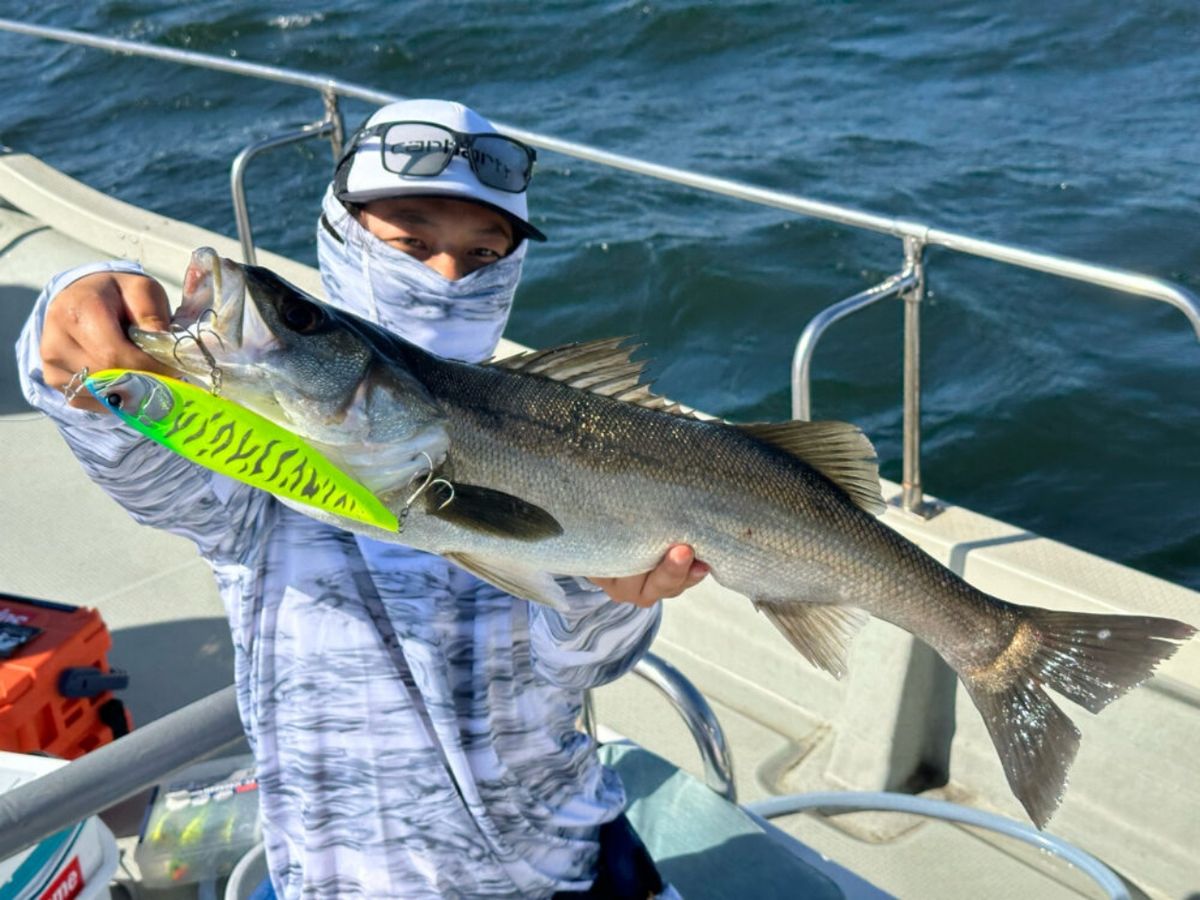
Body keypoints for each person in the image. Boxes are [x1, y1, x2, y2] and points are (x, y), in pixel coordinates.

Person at [18, 98, 708, 898]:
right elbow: (143, 462)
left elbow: (589, 665)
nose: (448, 276)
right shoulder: (253, 468)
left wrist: (611, 598)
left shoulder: (550, 424)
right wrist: (69, 330)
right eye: (411, 243)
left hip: (561, 862)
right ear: (344, 238)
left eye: (484, 254)